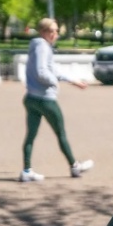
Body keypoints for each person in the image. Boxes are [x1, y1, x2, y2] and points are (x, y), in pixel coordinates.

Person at [20, 18, 93, 182]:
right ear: (43, 32)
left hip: (31, 98)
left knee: (30, 135)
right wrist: (54, 84)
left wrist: (74, 81)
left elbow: (53, 70)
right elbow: (42, 72)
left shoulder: (38, 46)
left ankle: (26, 170)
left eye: (56, 31)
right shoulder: (42, 46)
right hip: (45, 99)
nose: (55, 34)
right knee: (61, 134)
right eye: (52, 31)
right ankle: (74, 166)